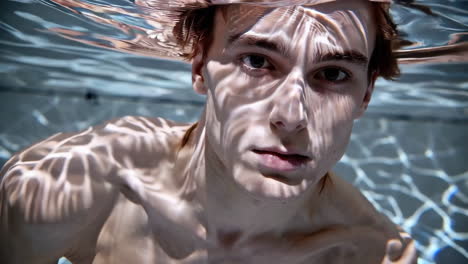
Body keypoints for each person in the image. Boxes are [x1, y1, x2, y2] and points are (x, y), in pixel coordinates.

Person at [0, 0, 418, 263]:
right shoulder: (65, 184)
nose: (291, 116)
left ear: (365, 95)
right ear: (200, 67)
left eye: (332, 73)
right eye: (257, 61)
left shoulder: (377, 254)